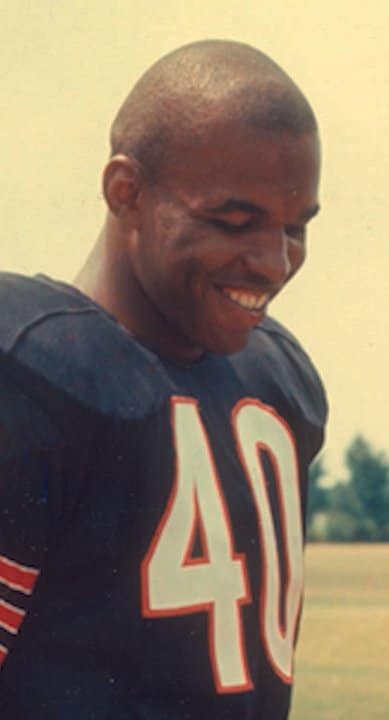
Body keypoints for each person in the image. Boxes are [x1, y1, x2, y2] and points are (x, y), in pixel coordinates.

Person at [0, 40, 326, 717]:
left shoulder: (279, 378)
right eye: (235, 222)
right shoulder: (29, 371)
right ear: (127, 193)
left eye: (295, 228)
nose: (274, 262)